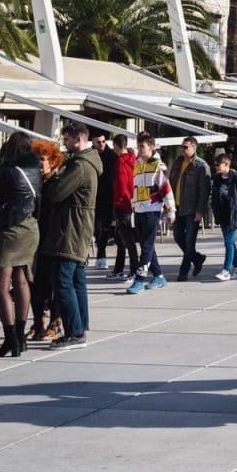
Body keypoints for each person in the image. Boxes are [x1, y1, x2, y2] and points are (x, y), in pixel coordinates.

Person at [0, 131, 40, 358]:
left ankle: (10, 339)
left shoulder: (7, 171)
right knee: (22, 279)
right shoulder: (35, 170)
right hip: (30, 227)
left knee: (0, 285)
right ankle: (21, 336)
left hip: (10, 229)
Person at [42, 123, 99, 350]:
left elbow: (55, 194)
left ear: (78, 139)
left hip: (71, 230)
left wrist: (50, 178)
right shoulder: (87, 162)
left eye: (66, 139)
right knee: (76, 279)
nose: (64, 144)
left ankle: (75, 333)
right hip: (78, 228)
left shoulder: (80, 166)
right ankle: (80, 326)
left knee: (63, 280)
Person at [127, 132, 175, 294]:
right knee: (146, 245)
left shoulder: (159, 166)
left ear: (152, 147)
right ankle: (159, 276)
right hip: (139, 210)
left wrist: (171, 210)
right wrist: (133, 204)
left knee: (146, 247)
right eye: (138, 146)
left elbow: (166, 189)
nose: (139, 149)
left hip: (152, 210)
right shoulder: (137, 164)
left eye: (142, 146)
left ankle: (140, 280)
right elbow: (135, 187)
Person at [28, 139, 65, 344]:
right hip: (35, 241)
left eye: (42, 159)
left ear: (53, 161)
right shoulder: (33, 184)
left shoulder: (57, 184)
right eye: (36, 160)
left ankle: (55, 322)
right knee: (36, 285)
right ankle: (38, 322)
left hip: (53, 240)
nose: (39, 164)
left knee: (54, 284)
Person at [170, 137, 210, 281]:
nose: (182, 149)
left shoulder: (201, 166)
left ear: (194, 148)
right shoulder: (177, 162)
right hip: (177, 207)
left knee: (189, 242)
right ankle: (197, 258)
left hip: (192, 210)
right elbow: (171, 183)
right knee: (178, 237)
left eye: (185, 147)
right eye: (181, 146)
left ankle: (183, 272)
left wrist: (200, 211)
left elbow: (204, 191)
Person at [211, 153, 237, 280]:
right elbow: (215, 196)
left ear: (226, 164)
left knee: (228, 242)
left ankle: (226, 270)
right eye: (215, 164)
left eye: (218, 164)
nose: (216, 166)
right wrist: (214, 207)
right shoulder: (217, 178)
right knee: (230, 243)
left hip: (233, 216)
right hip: (222, 215)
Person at [107, 134, 138, 281]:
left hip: (122, 204)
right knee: (121, 239)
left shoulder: (120, 162)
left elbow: (121, 184)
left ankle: (134, 270)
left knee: (126, 240)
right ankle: (119, 269)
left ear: (116, 145)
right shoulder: (133, 159)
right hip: (131, 202)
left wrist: (116, 201)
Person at [92, 133, 117, 271]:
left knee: (105, 228)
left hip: (109, 198)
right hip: (94, 197)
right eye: (98, 142)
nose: (101, 144)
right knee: (97, 228)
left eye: (103, 141)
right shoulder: (91, 155)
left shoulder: (112, 156)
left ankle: (101, 255)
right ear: (93, 142)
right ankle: (100, 255)